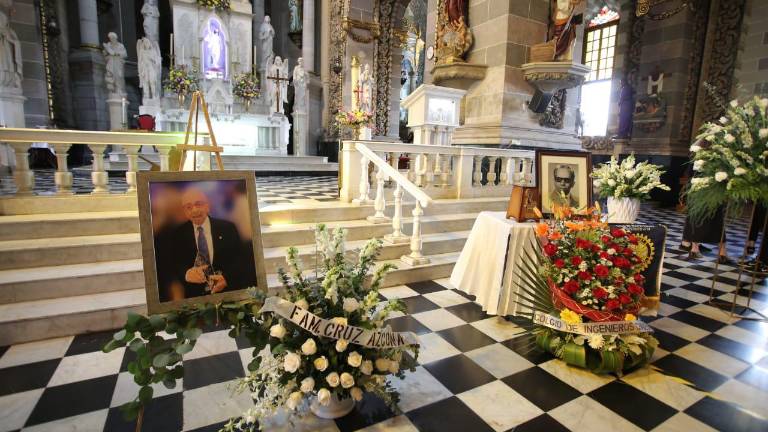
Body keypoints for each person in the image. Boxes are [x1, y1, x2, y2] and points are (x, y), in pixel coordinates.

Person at [162, 187, 253, 300]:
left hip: (227, 294)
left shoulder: (228, 228)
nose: (194, 210)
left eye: (198, 204)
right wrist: (186, 274)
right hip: (193, 298)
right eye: (188, 207)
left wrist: (226, 279)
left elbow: (241, 260)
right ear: (185, 211)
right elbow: (172, 264)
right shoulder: (177, 234)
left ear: (208, 206)